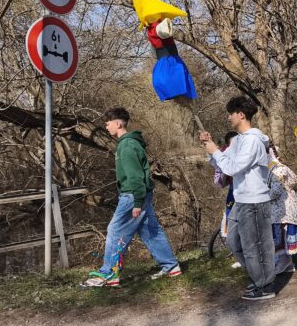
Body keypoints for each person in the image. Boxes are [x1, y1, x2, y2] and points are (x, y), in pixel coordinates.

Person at [82, 108, 180, 287]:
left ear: (118, 124)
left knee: (115, 230)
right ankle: (171, 266)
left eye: (108, 123)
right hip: (141, 194)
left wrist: (137, 203)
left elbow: (135, 177)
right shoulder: (131, 143)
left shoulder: (126, 146)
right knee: (150, 230)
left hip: (132, 195)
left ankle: (109, 274)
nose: (106, 127)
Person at [200, 96, 275, 301]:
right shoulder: (239, 140)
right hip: (240, 199)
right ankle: (258, 277)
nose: (228, 117)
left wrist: (216, 152)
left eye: (230, 114)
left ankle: (265, 285)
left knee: (256, 245)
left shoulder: (252, 141)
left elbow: (233, 168)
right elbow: (222, 163)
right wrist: (210, 146)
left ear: (241, 115)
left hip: (255, 200)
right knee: (234, 241)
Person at [267, 141, 297, 274]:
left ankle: (284, 261)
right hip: (280, 209)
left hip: (284, 209)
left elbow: (276, 190)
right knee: (281, 236)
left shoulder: (278, 169)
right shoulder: (272, 168)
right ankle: (287, 264)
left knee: (282, 236)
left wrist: (263, 198)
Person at [213, 131, 241, 269]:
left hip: (249, 192)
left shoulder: (247, 152)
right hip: (233, 193)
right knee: (233, 224)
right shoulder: (225, 155)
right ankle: (239, 255)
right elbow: (221, 180)